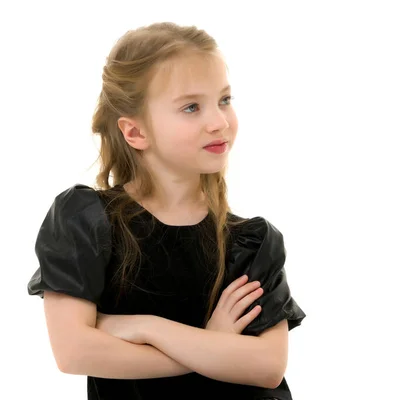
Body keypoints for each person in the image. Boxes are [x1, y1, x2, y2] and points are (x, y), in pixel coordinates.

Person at [26, 22, 306, 400]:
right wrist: (214, 348)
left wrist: (147, 328)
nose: (219, 121)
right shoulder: (86, 221)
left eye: (224, 99)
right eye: (191, 107)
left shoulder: (252, 242)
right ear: (136, 132)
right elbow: (75, 351)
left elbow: (267, 367)